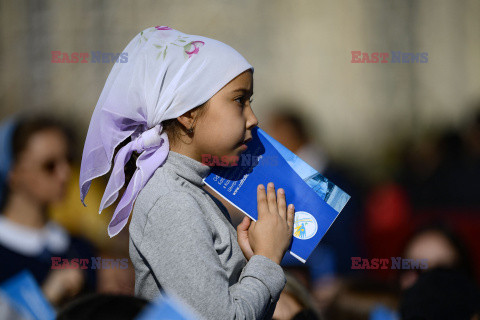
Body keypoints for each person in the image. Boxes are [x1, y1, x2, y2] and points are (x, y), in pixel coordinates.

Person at [79, 26, 295, 319]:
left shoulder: (190, 191)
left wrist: (256, 261)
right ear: (187, 112)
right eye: (239, 100)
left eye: (250, 102)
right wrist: (267, 259)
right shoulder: (170, 199)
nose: (253, 119)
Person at [0, 115, 96, 306]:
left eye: (68, 160)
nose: (65, 174)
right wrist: (44, 299)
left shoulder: (80, 248)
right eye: (49, 165)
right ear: (14, 173)